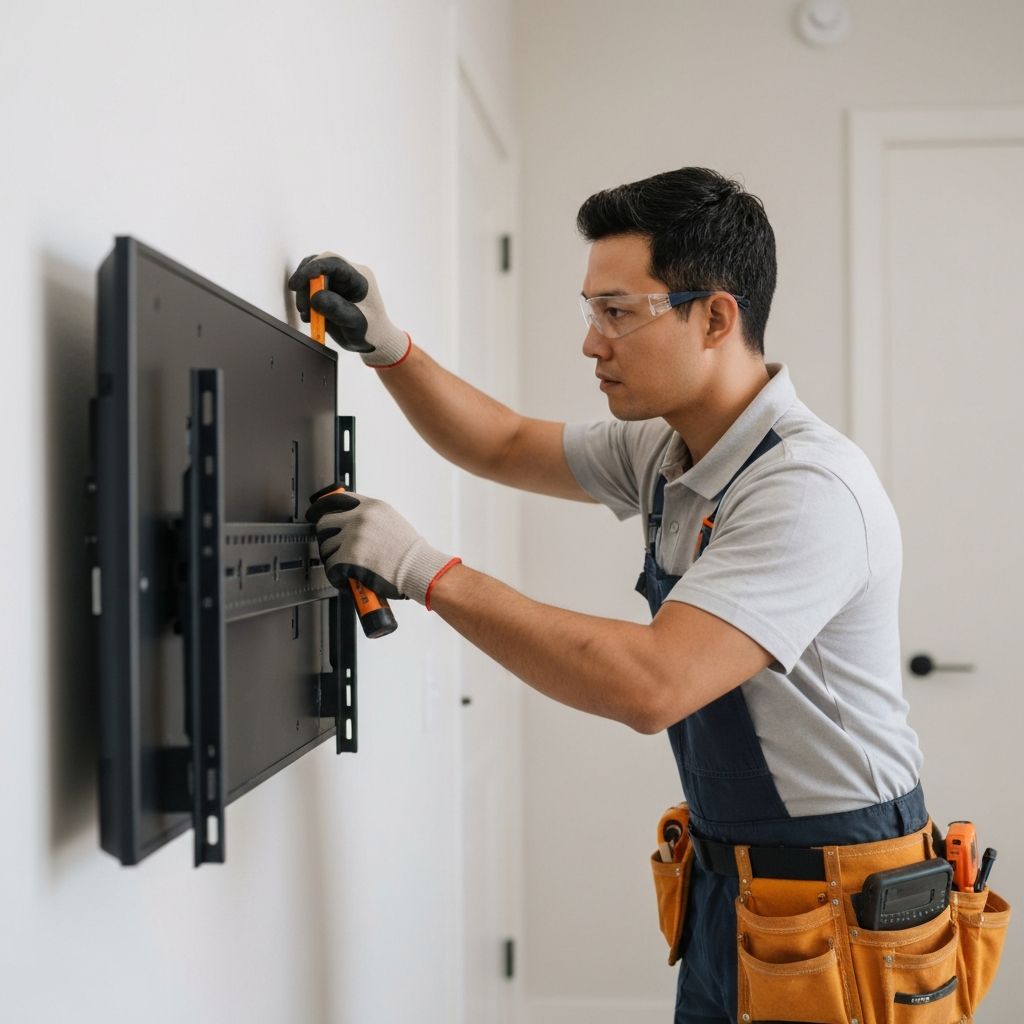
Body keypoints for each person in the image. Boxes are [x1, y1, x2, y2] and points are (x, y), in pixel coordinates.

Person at [288, 167, 926, 1023]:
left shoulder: (807, 487)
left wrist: (426, 571)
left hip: (842, 896)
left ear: (716, 318)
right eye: (592, 311)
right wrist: (388, 347)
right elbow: (506, 443)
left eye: (618, 313)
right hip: (729, 881)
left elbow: (651, 685)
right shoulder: (671, 448)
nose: (593, 343)